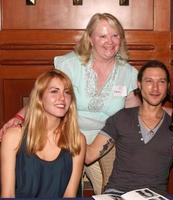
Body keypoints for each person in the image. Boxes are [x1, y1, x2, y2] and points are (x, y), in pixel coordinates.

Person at [0, 13, 139, 194]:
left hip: (106, 139)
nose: (110, 41)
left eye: (115, 35)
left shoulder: (129, 73)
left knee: (113, 191)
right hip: (67, 133)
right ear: (90, 38)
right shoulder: (70, 64)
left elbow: (132, 117)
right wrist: (19, 116)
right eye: (103, 36)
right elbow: (46, 94)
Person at [86, 60, 173, 199]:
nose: (155, 88)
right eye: (149, 81)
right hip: (117, 194)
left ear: (168, 87)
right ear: (139, 85)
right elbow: (89, 155)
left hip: (154, 196)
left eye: (161, 82)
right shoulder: (121, 118)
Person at [0, 69, 86, 198]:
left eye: (67, 92)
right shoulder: (14, 137)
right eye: (54, 91)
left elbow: (70, 195)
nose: (62, 98)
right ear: (39, 97)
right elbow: (8, 195)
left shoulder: (76, 139)